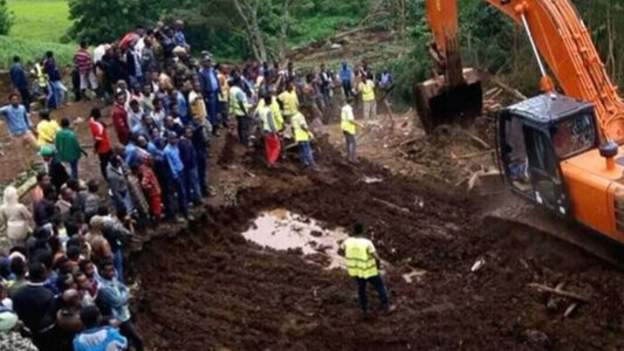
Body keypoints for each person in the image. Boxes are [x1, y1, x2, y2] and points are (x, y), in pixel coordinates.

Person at [341, 223, 394, 316]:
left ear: (353, 231)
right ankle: (386, 307)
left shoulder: (347, 241)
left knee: (361, 289)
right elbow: (377, 257)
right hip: (369, 270)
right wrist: (377, 267)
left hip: (356, 270)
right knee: (380, 286)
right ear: (363, 231)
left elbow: (341, 250)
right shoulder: (367, 242)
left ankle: (364, 311)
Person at [97, 259, 143, 351]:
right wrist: (126, 295)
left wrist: (124, 294)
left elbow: (123, 287)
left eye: (112, 269)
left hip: (125, 312)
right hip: (118, 318)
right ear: (102, 272)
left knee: (128, 339)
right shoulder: (103, 288)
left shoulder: (112, 278)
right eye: (109, 270)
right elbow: (117, 302)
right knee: (138, 340)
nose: (112, 272)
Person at [12, 261, 58, 350]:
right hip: (45, 336)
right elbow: (52, 316)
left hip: (25, 334)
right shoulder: (48, 295)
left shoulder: (17, 294)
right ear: (43, 275)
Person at [164, 132, 191, 221]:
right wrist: (175, 176)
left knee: (183, 193)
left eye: (175, 138)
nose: (175, 140)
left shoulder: (176, 146)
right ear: (168, 139)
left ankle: (185, 212)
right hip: (175, 175)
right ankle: (177, 215)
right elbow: (170, 165)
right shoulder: (167, 151)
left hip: (181, 170)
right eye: (173, 138)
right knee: (177, 195)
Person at [88, 108, 113, 180]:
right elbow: (98, 140)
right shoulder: (99, 126)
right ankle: (106, 177)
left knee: (106, 161)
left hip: (103, 147)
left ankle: (107, 175)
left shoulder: (92, 121)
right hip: (104, 147)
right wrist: (95, 149)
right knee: (105, 163)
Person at [256, 95, 281, 166]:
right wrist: (275, 132)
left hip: (263, 131)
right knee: (277, 147)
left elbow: (257, 119)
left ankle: (269, 160)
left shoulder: (261, 110)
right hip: (270, 131)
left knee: (269, 147)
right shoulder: (268, 111)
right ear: (270, 101)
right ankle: (271, 162)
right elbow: (271, 123)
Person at [199, 56, 220, 135]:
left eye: (209, 61)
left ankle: (217, 124)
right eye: (206, 61)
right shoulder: (202, 73)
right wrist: (205, 96)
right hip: (209, 93)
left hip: (215, 91)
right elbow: (202, 86)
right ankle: (214, 128)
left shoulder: (213, 70)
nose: (208, 63)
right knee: (212, 111)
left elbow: (216, 80)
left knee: (217, 109)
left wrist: (219, 90)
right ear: (203, 63)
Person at [229, 75, 251, 145]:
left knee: (240, 126)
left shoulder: (231, 89)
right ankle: (244, 141)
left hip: (236, 111)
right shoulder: (239, 91)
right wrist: (245, 112)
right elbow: (241, 103)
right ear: (238, 82)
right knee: (244, 127)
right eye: (241, 82)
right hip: (241, 111)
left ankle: (241, 138)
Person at [341, 96, 363, 163]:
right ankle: (352, 158)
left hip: (343, 127)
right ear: (352, 102)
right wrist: (359, 124)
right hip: (348, 127)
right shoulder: (349, 109)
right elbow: (351, 120)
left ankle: (348, 156)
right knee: (353, 143)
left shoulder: (344, 108)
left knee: (348, 142)